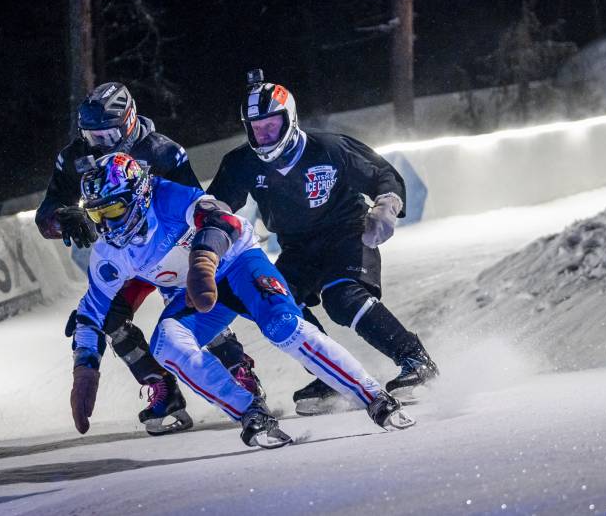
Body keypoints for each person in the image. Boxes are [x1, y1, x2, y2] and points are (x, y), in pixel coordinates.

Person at [71, 152, 414, 447]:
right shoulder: (107, 253)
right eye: (97, 214)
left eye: (113, 210)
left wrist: (203, 260)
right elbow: (91, 311)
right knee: (166, 344)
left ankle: (372, 396)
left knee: (282, 326)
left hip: (237, 263)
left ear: (140, 193)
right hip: (197, 287)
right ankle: (250, 411)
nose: (107, 225)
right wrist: (84, 368)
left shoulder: (168, 197)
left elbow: (224, 221)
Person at [207, 69, 439, 415]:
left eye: (271, 124)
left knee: (342, 298)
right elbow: (218, 203)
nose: (265, 134)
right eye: (256, 128)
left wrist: (386, 205)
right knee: (275, 305)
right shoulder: (241, 162)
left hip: (346, 233)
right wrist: (211, 228)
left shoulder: (329, 148)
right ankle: (331, 376)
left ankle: (416, 361)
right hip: (296, 248)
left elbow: (382, 174)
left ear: (290, 120)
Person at [35, 82, 262, 435]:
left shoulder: (163, 152)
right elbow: (47, 212)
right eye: (93, 136)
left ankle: (238, 368)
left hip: (171, 249)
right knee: (108, 314)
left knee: (190, 304)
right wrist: (63, 216)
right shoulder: (73, 157)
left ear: (129, 122)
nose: (101, 144)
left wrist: (200, 261)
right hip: (124, 259)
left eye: (109, 135)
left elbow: (195, 205)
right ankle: (161, 386)